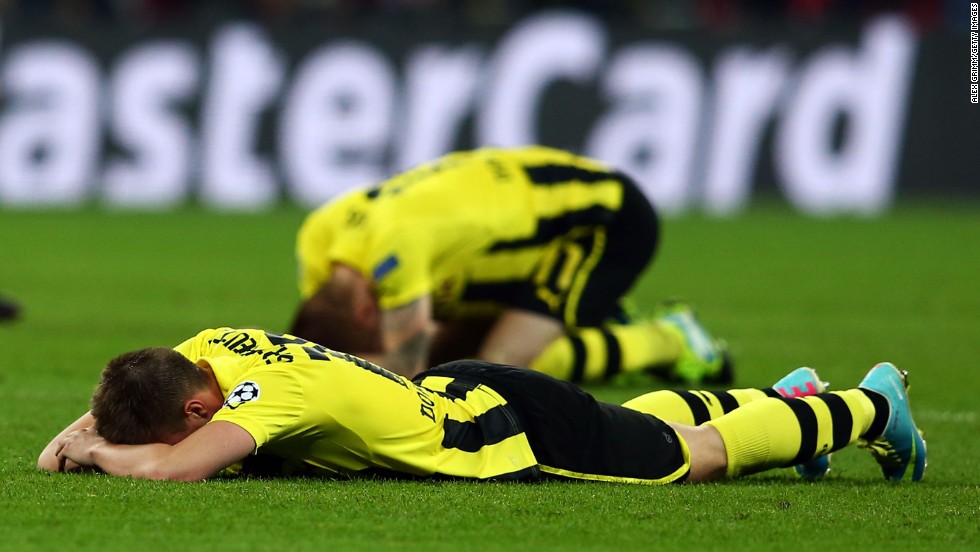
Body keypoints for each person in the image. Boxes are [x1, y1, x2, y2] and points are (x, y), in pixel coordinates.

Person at [40, 327, 926, 484]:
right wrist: (89, 436)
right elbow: (103, 426)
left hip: (502, 431)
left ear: (197, 410)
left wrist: (98, 453)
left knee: (693, 458)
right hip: (466, 389)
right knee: (653, 426)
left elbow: (173, 465)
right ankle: (788, 404)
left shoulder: (263, 400)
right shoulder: (208, 347)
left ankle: (871, 407)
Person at [289, 145, 729, 385]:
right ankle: (591, 320)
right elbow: (328, 342)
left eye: (377, 330)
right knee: (452, 361)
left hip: (603, 222)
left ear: (367, 312)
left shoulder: (395, 249)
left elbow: (405, 377)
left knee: (493, 375)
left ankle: (669, 340)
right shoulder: (318, 241)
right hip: (515, 244)